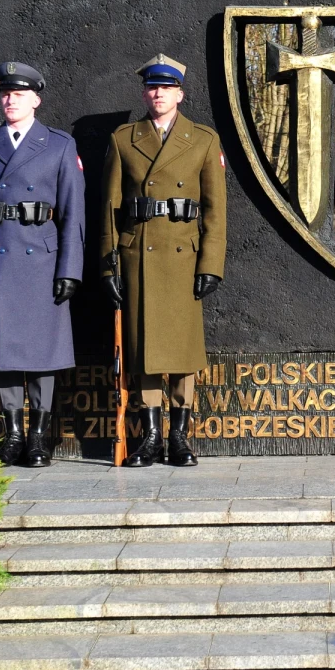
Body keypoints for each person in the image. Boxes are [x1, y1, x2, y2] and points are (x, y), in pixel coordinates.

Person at [0, 62, 85, 467]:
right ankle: (12, 435)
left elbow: (73, 214)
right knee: (2, 352)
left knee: (42, 354)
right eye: (6, 94)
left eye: (20, 94)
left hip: (41, 262)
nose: (11, 100)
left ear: (36, 100)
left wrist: (69, 269)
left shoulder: (60, 145)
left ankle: (40, 437)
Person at [101, 54, 227, 467]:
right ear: (145, 93)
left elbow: (214, 210)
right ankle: (151, 437)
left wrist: (210, 264)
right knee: (145, 349)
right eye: (153, 88)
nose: (158, 94)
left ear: (180, 94)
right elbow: (110, 207)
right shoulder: (124, 138)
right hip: (140, 253)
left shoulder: (204, 139)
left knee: (184, 353)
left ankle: (179, 438)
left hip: (182, 256)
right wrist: (109, 262)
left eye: (166, 88)